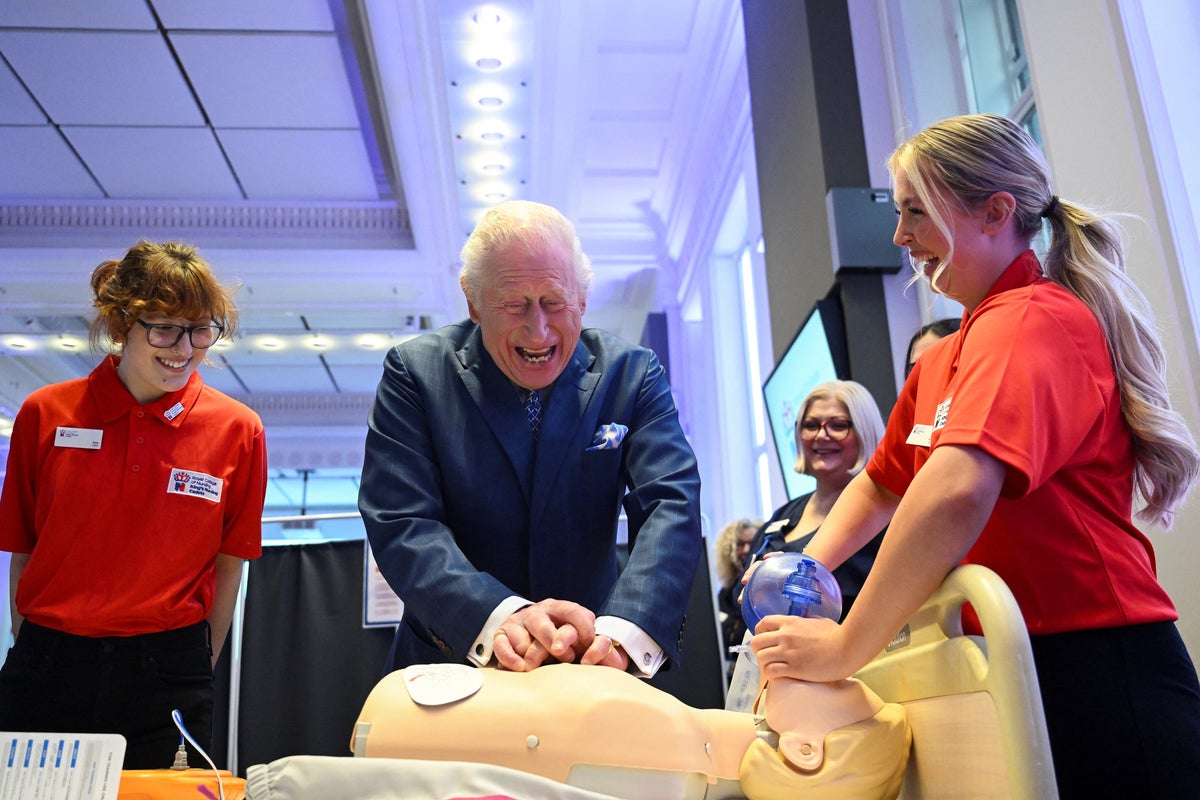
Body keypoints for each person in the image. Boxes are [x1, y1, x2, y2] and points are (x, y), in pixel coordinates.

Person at [748, 113, 1200, 797]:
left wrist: (846, 646)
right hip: (1012, 657)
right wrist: (805, 571)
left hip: (1101, 663)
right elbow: (881, 484)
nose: (900, 237)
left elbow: (956, 490)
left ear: (995, 212)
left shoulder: (1033, 321)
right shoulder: (949, 356)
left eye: (917, 213)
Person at [359, 200, 701, 679]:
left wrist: (626, 631)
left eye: (554, 303)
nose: (537, 330)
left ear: (582, 299)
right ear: (473, 301)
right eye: (514, 304)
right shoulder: (415, 373)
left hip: (594, 657)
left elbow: (671, 503)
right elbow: (402, 519)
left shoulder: (633, 374)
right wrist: (501, 616)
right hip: (456, 661)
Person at [0, 241, 267, 768]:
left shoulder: (238, 430)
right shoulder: (45, 414)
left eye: (200, 329)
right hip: (49, 660)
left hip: (167, 671)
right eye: (164, 327)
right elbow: (24, 549)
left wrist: (193, 665)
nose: (183, 348)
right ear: (121, 324)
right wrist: (31, 637)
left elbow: (229, 565)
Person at [742, 380, 886, 621]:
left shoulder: (883, 517)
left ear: (865, 431)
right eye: (811, 425)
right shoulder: (782, 516)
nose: (821, 435)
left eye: (838, 425)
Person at [713, 517, 761, 672]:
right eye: (740, 544)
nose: (747, 550)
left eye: (752, 543)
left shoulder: (763, 594)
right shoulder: (723, 595)